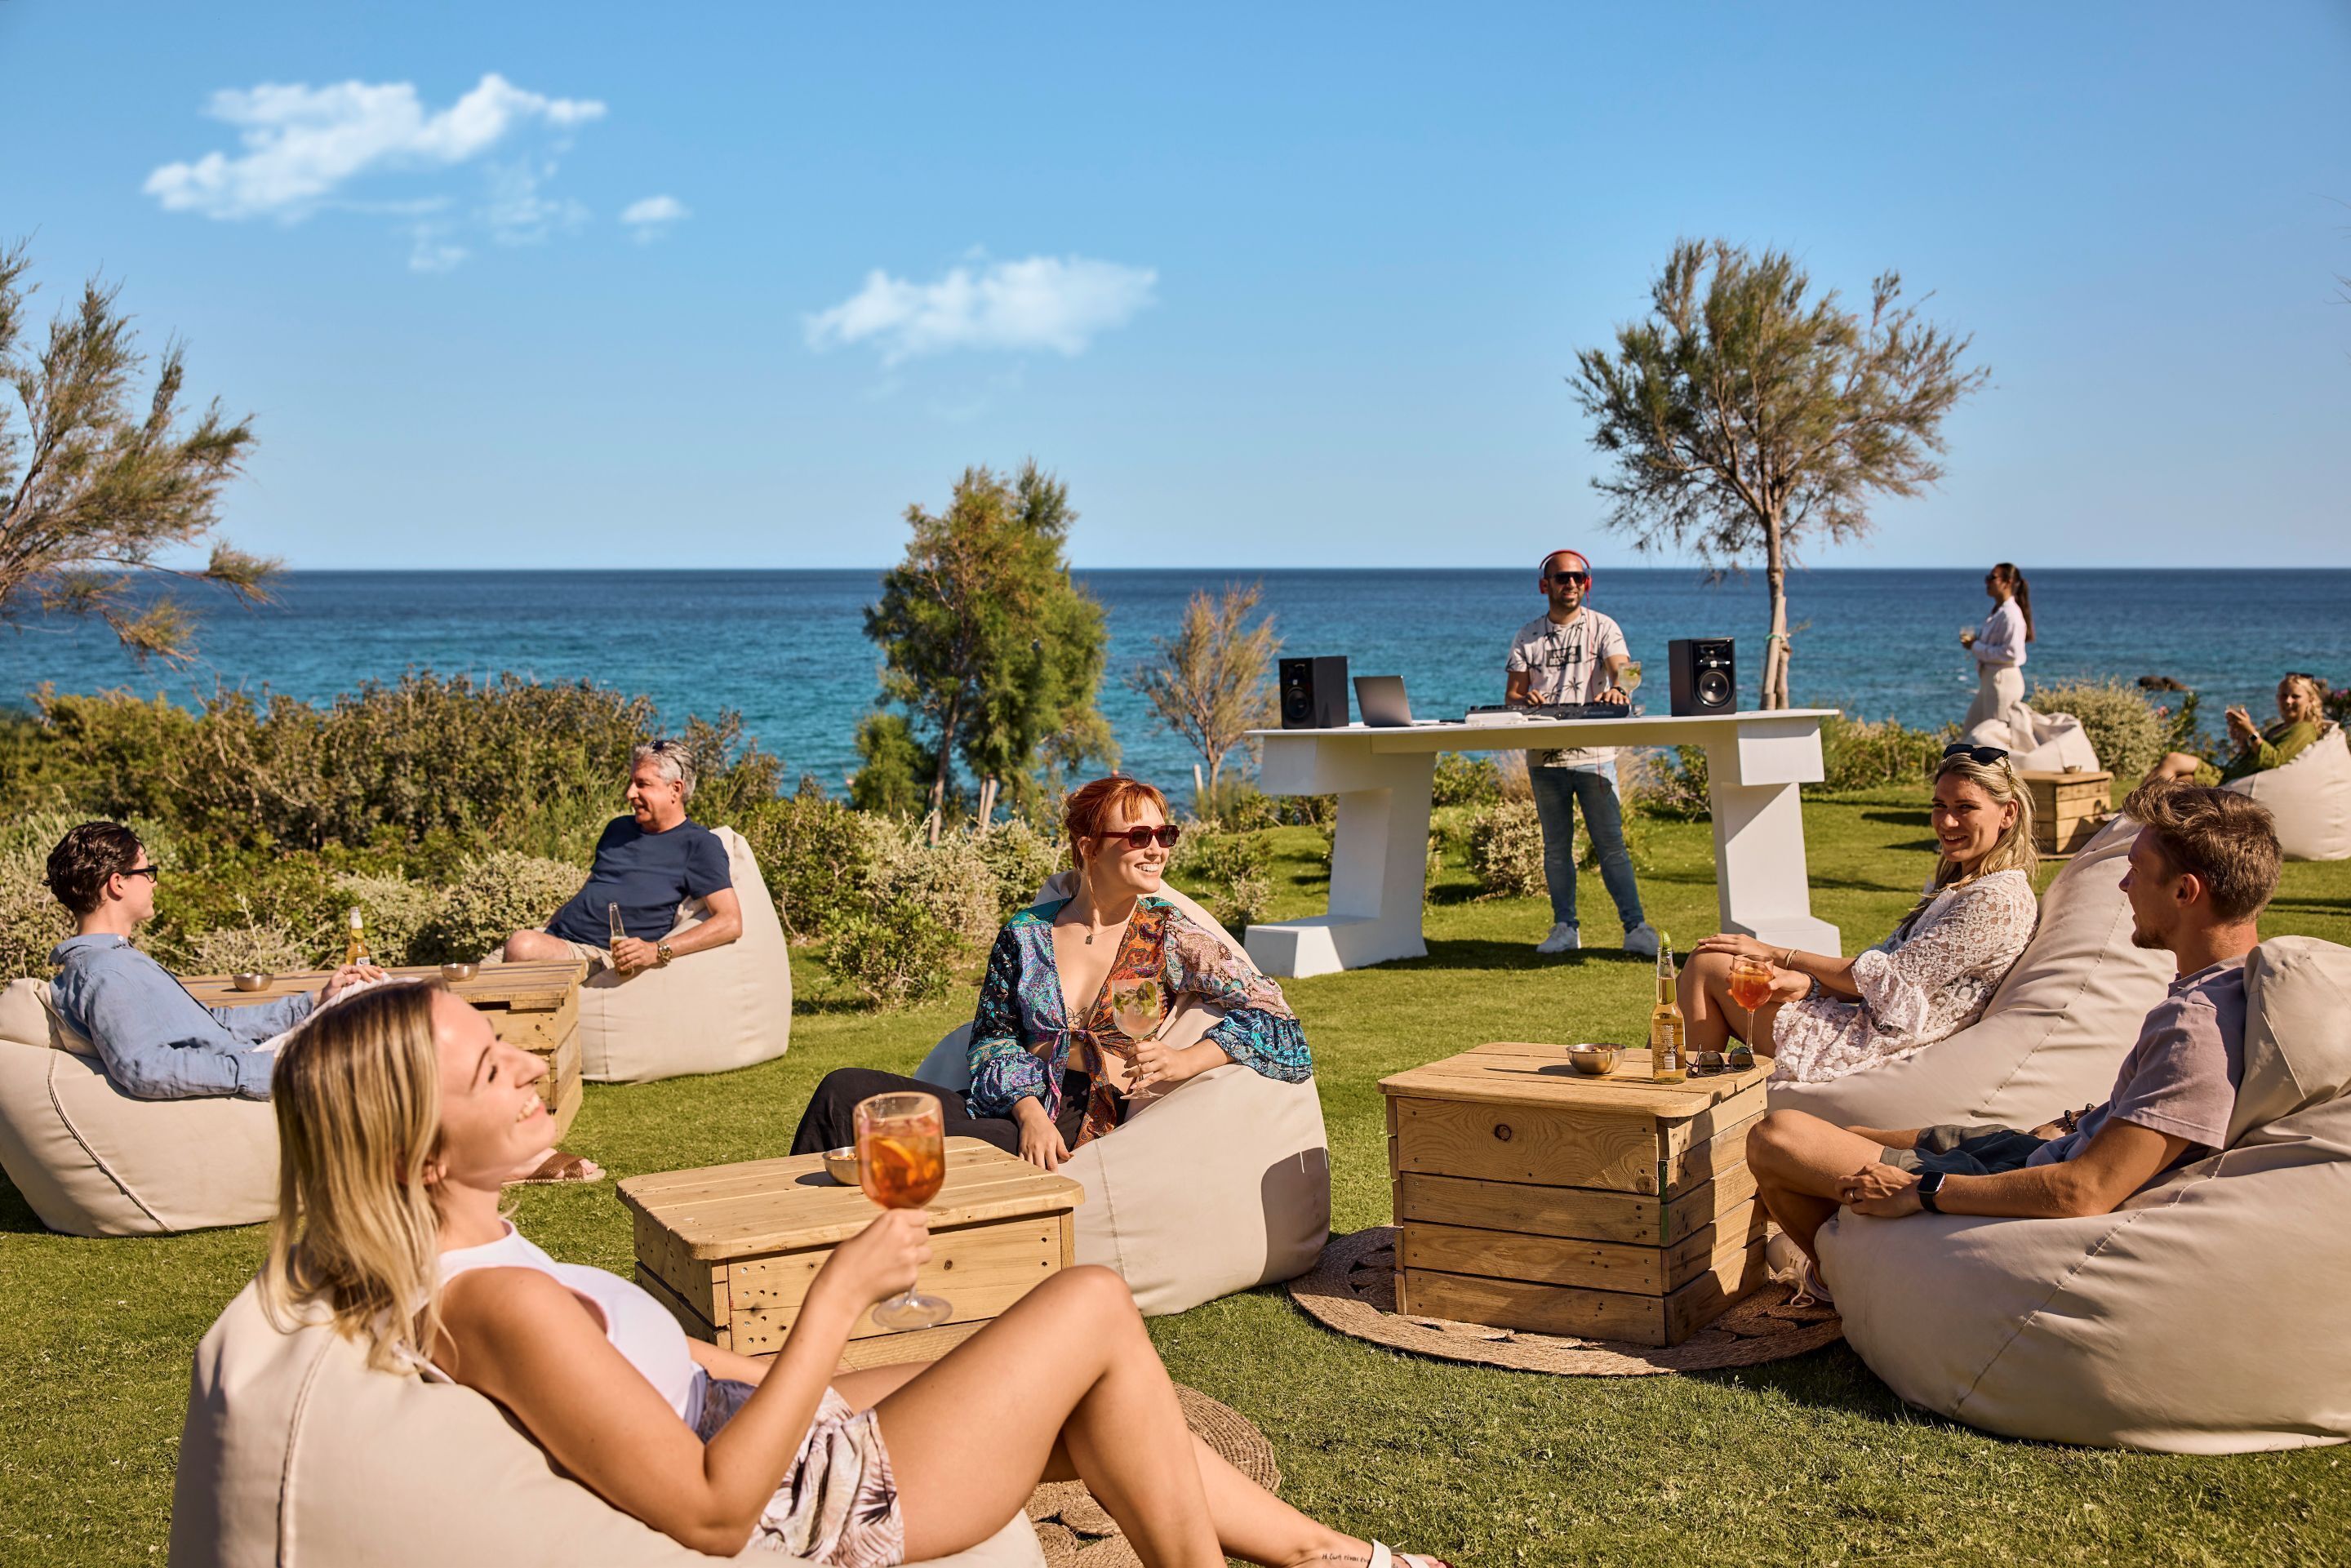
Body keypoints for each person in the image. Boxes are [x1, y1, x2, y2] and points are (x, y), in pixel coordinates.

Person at [263, 981, 1447, 1568]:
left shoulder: (470, 1259)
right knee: (1086, 1304)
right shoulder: (501, 1301)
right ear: (417, 1152)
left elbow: (670, 1363)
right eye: (487, 1071)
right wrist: (838, 1294)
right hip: (808, 1506)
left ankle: (1324, 1554)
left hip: (773, 1432)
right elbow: (718, 1508)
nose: (528, 1062)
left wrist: (834, 1365)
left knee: (1087, 1386)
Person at [1744, 780, 2278, 1287]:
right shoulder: (2224, 986)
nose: (2123, 884)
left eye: (2136, 870)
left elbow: (2085, 1190)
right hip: (2043, 1145)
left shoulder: (2198, 1030)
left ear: (2185, 891)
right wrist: (2072, 1120)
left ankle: (1843, 1279)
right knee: (1854, 1131)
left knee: (1778, 1137)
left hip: (2035, 1178)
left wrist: (1921, 1189)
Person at [792, 776, 1311, 1171]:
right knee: (841, 1092)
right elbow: (992, 1039)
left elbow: (1278, 1021)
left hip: (1082, 1124)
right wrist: (1028, 1114)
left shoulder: (1169, 936)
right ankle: (779, 1241)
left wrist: (1186, 1059)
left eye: (1165, 833)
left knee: (902, 1138)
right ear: (1087, 846)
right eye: (1139, 835)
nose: (1158, 849)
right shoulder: (1027, 933)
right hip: (1012, 1110)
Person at [1678, 745, 2041, 1083]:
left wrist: (1778, 954)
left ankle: (1663, 1101)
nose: (1946, 822)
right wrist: (1808, 984)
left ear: (2007, 813)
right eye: (1939, 806)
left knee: (1709, 965)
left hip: (1875, 1046)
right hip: (1868, 1022)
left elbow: (1887, 979)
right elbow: (1885, 972)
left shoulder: (1994, 902)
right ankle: (1668, 1098)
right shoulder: (1969, 887)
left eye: (1965, 808)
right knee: (1717, 962)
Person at [42, 820, 381, 1100]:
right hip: (262, 1069)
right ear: (118, 883)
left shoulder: (117, 962)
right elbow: (145, 1067)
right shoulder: (106, 974)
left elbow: (213, 1024)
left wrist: (316, 1001)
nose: (154, 882)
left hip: (253, 1056)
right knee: (399, 1019)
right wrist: (275, 1068)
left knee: (380, 991)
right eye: (148, 871)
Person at [1503, 548, 1660, 958]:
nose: (1570, 584)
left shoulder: (1603, 626)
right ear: (1545, 585)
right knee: (1556, 848)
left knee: (1611, 846)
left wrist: (1619, 689)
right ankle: (1564, 928)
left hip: (1595, 756)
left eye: (1577, 577)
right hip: (1544, 759)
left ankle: (1636, 928)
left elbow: (1629, 670)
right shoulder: (1527, 635)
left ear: (1586, 584)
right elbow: (1513, 696)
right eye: (1561, 578)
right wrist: (1526, 697)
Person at [503, 738, 743, 975]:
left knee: (521, 945)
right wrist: (549, 926)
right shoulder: (618, 829)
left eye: (642, 784)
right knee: (467, 989)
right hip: (554, 939)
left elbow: (730, 922)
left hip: (599, 955)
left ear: (675, 789)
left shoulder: (699, 845)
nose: (630, 793)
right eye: (631, 782)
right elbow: (593, 887)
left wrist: (657, 950)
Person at [2147, 672, 2327, 785]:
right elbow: (2257, 757)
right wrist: (2243, 741)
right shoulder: (2285, 727)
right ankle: (2131, 814)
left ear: (2311, 700)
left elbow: (2274, 761)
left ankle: (2129, 815)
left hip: (2237, 782)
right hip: (2233, 774)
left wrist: (2252, 732)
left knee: (2175, 768)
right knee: (2174, 772)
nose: (2288, 701)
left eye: (2295, 696)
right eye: (2283, 695)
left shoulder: (2303, 730)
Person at [1958, 562, 2034, 746]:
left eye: (1992, 578)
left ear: (2007, 582)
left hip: (2002, 682)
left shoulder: (2011, 615)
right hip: (1990, 682)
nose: (1987, 583)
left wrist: (1976, 646)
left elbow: (2012, 653)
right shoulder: (1999, 612)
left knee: (1992, 743)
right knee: (1970, 737)